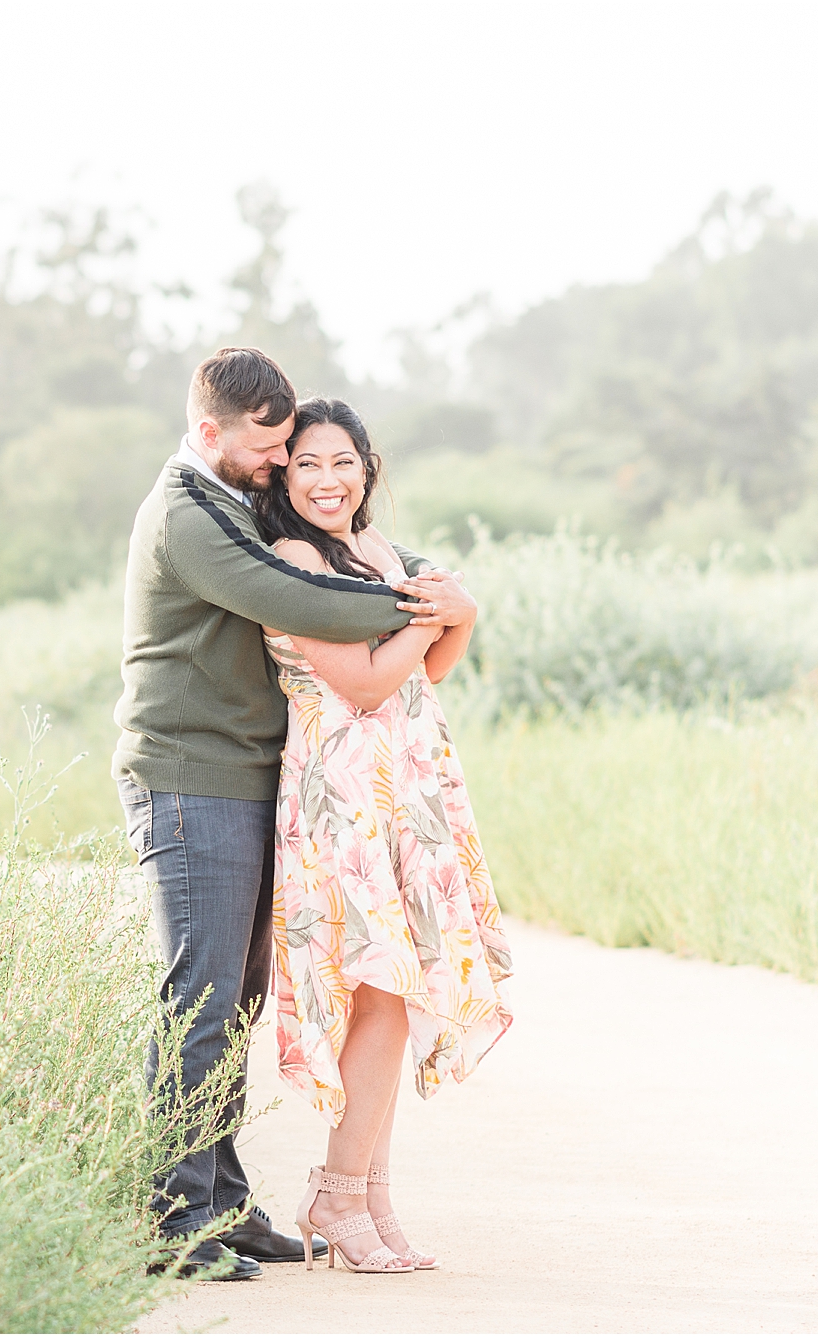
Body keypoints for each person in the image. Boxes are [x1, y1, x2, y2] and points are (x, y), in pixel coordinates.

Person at [112, 348, 475, 1281]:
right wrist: (428, 606)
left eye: (296, 446)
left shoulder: (236, 499)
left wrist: (428, 582)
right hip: (191, 774)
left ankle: (222, 1203)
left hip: (251, 776)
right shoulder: (186, 516)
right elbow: (295, 593)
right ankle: (170, 1220)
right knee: (198, 994)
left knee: (234, 999)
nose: (283, 462)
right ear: (209, 433)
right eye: (272, 447)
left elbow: (352, 549)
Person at [256, 397, 513, 1274]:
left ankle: (368, 1199)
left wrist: (460, 618)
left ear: (368, 467)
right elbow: (362, 683)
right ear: (284, 478)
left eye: (342, 462)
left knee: (392, 996)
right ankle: (337, 1189)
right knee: (377, 987)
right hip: (342, 788)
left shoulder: (376, 552)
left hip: (406, 783)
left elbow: (424, 673)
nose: (327, 480)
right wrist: (431, 615)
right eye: (307, 466)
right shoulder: (290, 557)